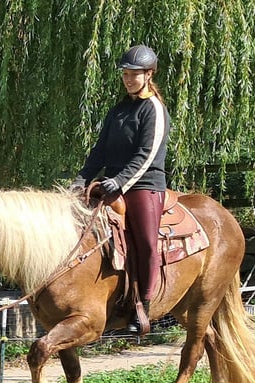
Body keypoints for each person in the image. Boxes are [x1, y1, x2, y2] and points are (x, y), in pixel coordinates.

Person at [70, 44, 171, 333]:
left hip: (144, 185)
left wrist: (121, 180)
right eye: (125, 74)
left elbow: (147, 153)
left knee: (146, 242)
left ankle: (144, 305)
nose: (128, 78)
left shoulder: (154, 109)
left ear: (149, 74)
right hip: (112, 183)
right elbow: (99, 151)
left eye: (134, 74)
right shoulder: (118, 111)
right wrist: (81, 178)